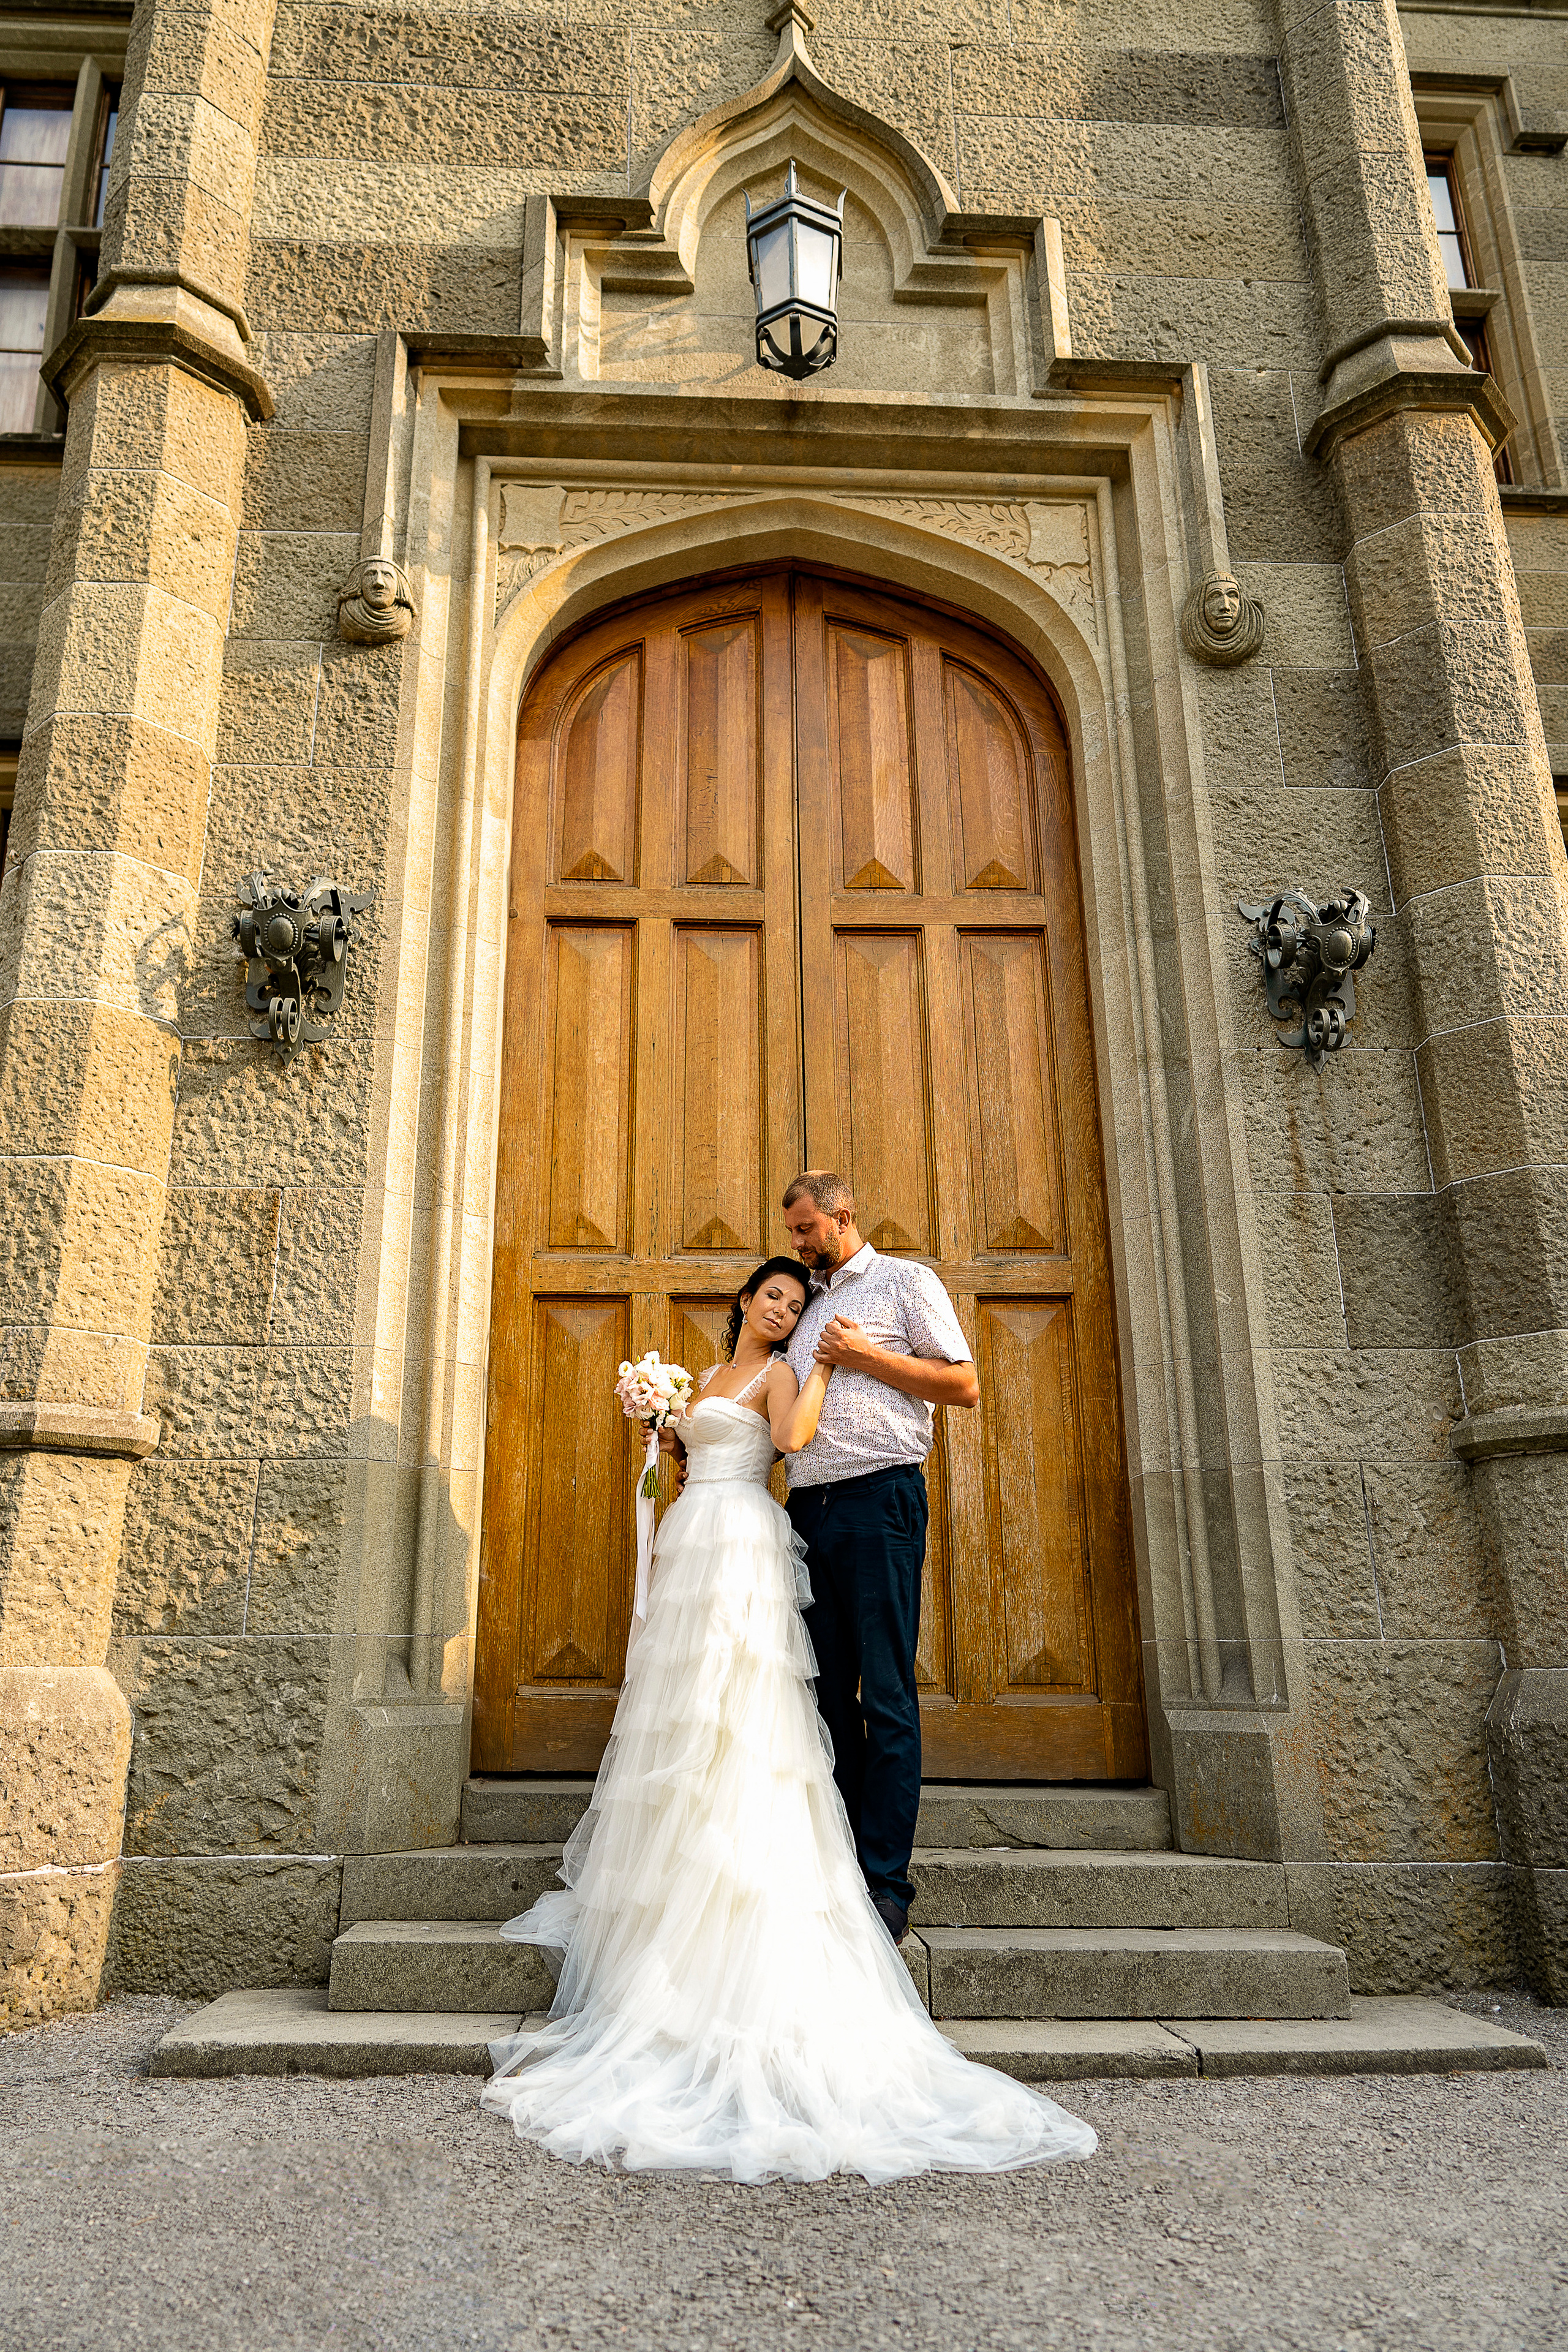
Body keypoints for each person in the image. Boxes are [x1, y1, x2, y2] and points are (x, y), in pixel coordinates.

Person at [480, 1254, 1095, 2183]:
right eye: (773, 1297)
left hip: (746, 1541)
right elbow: (685, 1453)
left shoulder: (782, 1372)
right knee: (686, 1709)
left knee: (754, 1704)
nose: (783, 1308)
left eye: (795, 1302)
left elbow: (796, 1442)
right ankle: (676, 1867)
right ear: (742, 1302)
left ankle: (797, 1875)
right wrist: (658, 1423)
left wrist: (831, 1366)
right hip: (693, 1535)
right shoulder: (707, 1374)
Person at [780, 1170, 976, 1945]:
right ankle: (840, 1871)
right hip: (807, 1513)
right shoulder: (803, 1301)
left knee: (885, 1695)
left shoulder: (904, 1283)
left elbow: (962, 1384)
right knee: (826, 1698)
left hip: (880, 1502)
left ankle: (887, 1887)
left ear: (842, 1217)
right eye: (792, 1232)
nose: (795, 1244)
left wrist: (863, 1356)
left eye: (804, 1230)